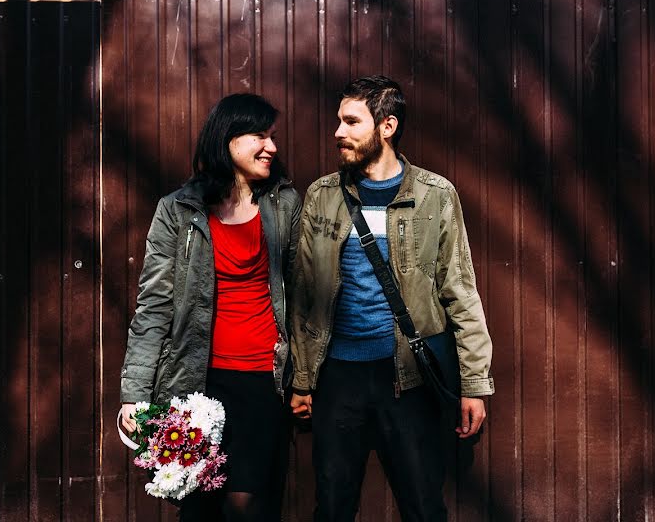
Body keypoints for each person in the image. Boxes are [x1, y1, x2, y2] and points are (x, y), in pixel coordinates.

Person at [289, 75, 495, 521]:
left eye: (351, 121)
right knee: (333, 507)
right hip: (337, 376)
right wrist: (303, 379)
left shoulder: (434, 195)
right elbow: (304, 296)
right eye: (338, 121)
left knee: (423, 506)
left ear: (386, 126)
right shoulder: (323, 196)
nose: (338, 132)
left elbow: (459, 290)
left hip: (408, 377)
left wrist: (475, 384)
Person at [120, 93, 302, 522]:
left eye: (272, 136)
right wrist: (135, 394)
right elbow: (154, 307)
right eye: (260, 135)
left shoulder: (285, 204)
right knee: (198, 505)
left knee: (247, 504)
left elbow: (303, 298)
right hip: (196, 380)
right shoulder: (179, 211)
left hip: (263, 379)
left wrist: (305, 380)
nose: (271, 147)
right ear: (227, 140)